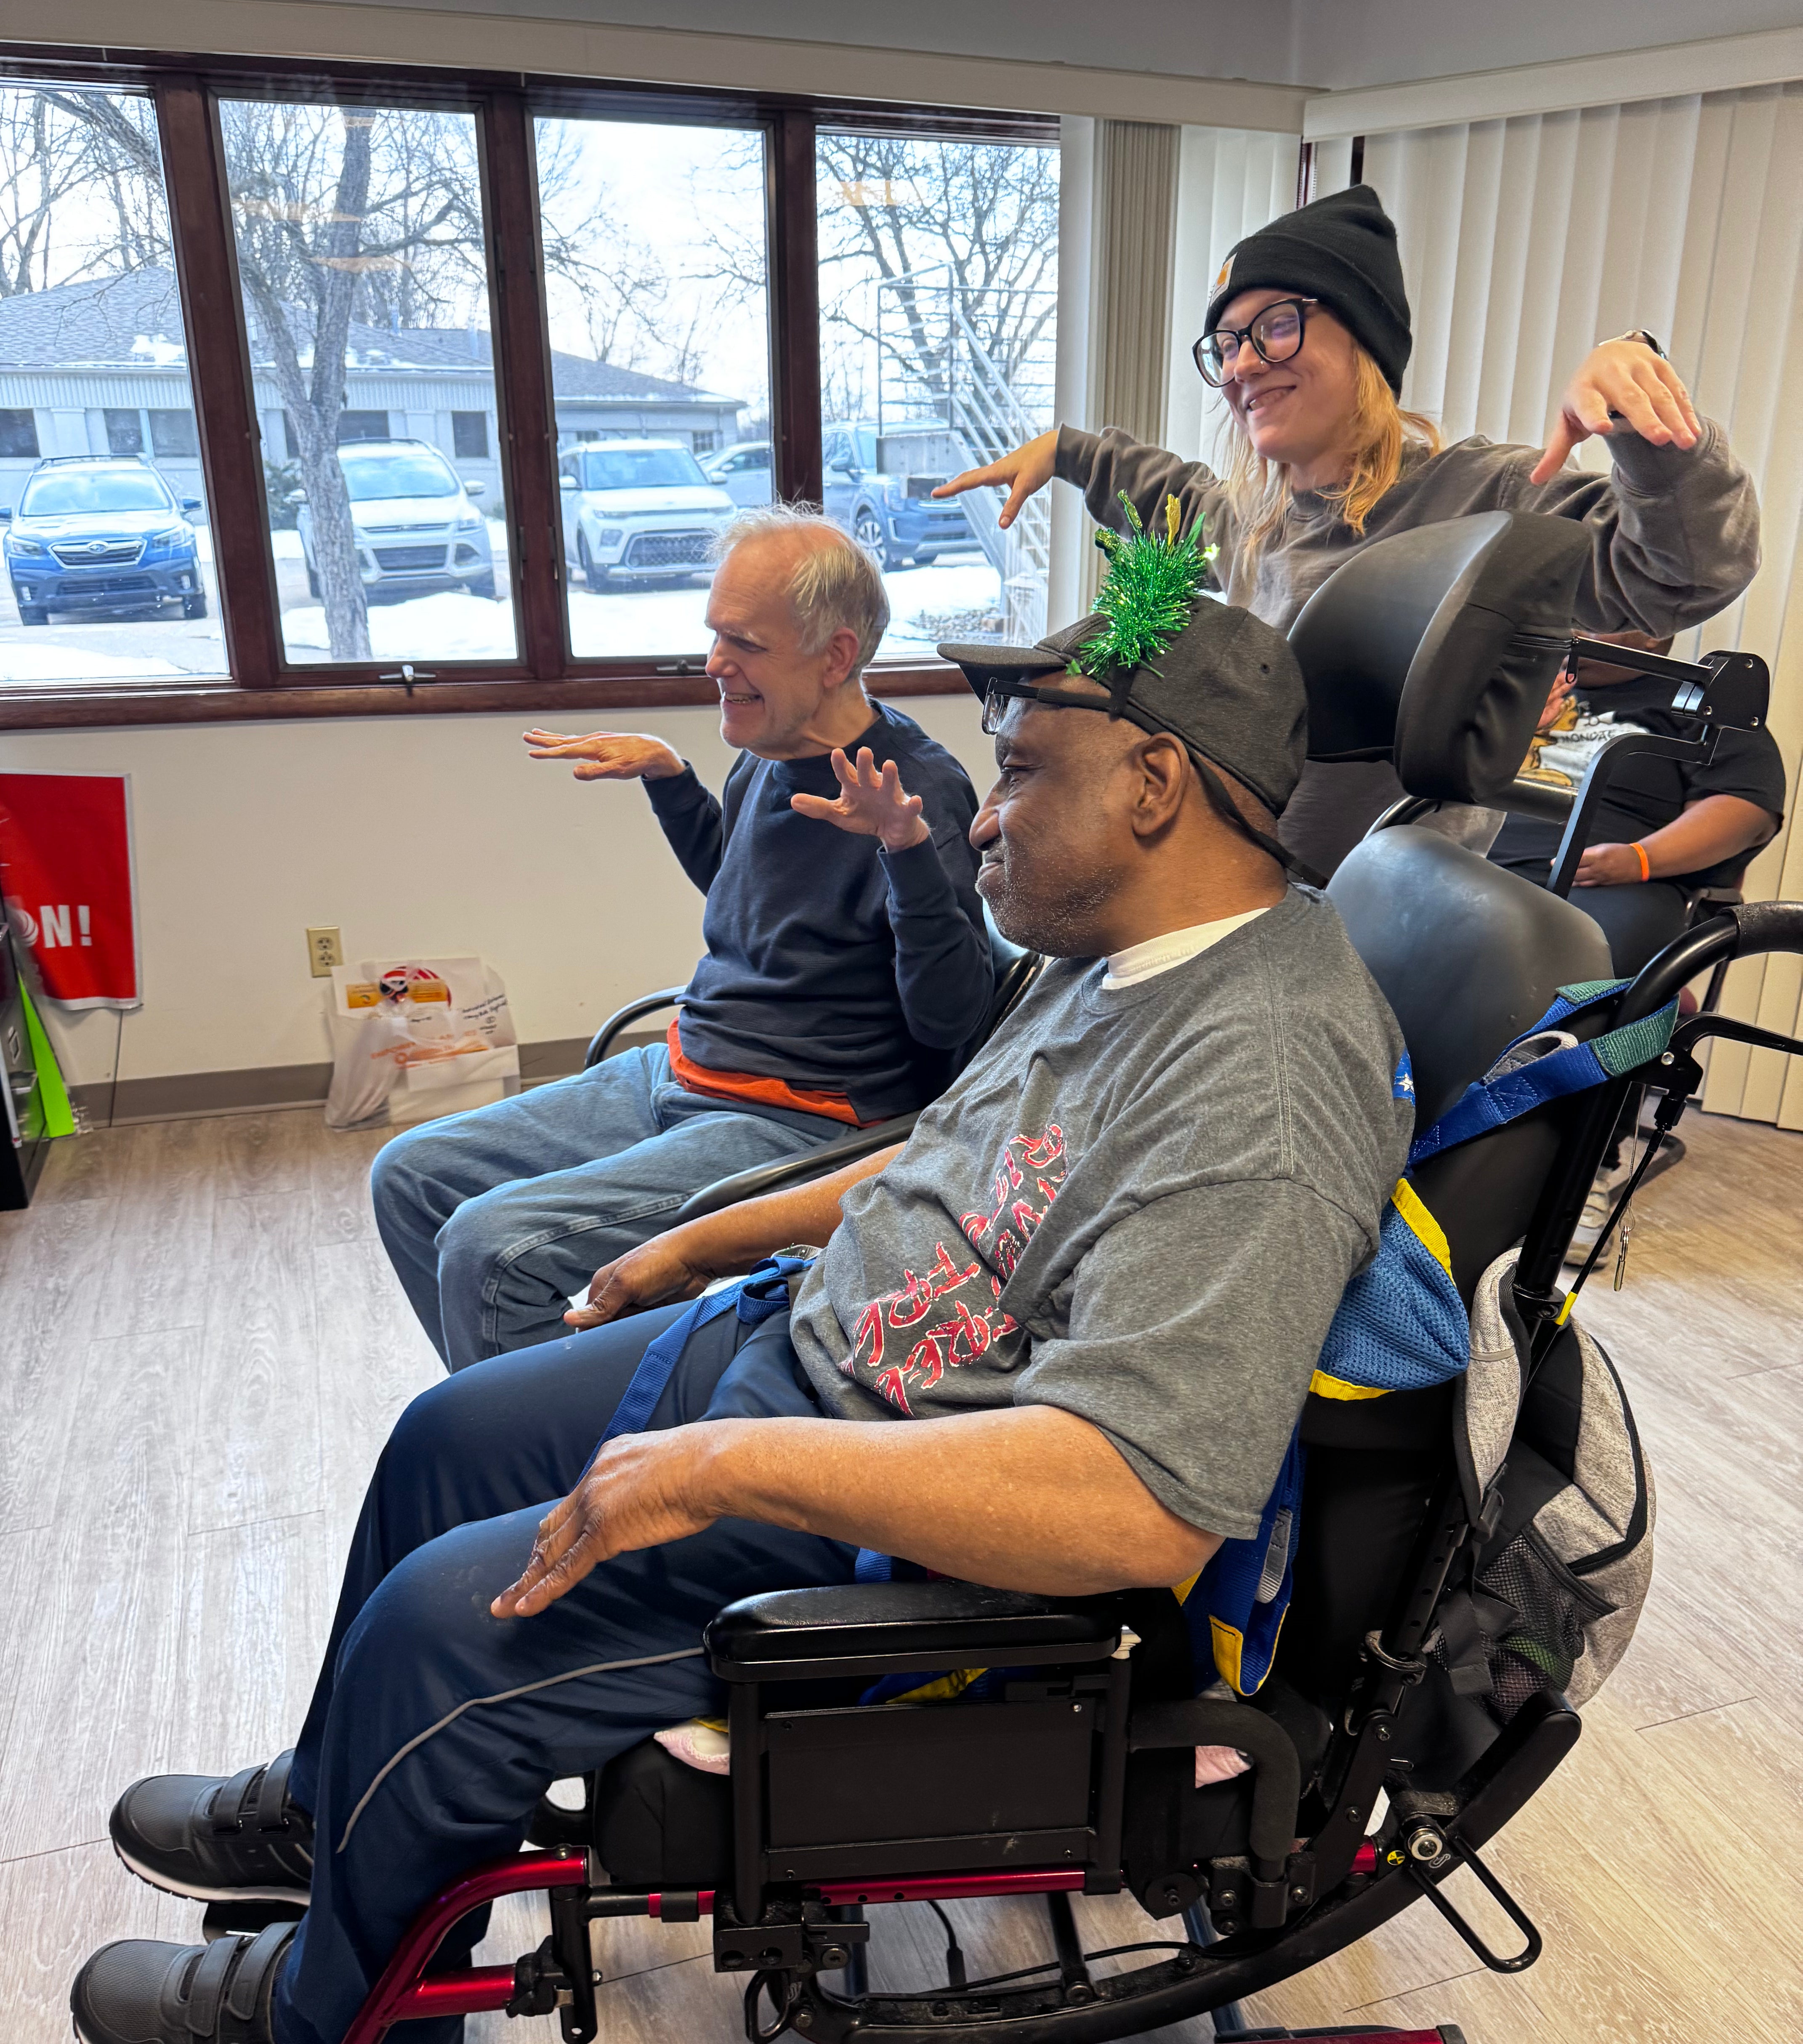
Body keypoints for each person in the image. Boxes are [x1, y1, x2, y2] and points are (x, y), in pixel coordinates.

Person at [73, 570, 1415, 2044]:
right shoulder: (1125, 947)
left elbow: (1141, 1503)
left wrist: (725, 1463)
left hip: (900, 1512)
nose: (982, 818)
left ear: (1155, 782)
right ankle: (337, 1818)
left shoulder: (1260, 1081)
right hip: (805, 1348)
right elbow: (949, 1154)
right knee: (443, 1441)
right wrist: (705, 1238)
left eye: (1019, 773)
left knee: (437, 1630)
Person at [936, 184, 1762, 878]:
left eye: (1275, 326)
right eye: (1226, 344)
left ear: (1363, 339)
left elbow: (1681, 575)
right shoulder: (1256, 520)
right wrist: (1070, 452)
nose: (1241, 364)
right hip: (1242, 888)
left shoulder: (1482, 500)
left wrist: (1646, 427)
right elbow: (1172, 497)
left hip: (1384, 919)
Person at [371, 503, 993, 1368]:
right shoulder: (769, 752)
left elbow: (952, 1019)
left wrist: (905, 850)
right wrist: (670, 779)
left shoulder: (912, 789)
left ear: (835, 656)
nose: (714, 663)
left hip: (801, 1118)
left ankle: (546, 1436)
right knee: (408, 1174)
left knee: (491, 1246)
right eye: (714, 635)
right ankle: (510, 1410)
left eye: (744, 643)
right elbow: (747, 896)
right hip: (685, 1064)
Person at [1489, 630, 1787, 978]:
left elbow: (1743, 808)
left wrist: (1640, 860)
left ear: (1652, 633)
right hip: (1473, 860)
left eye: (1595, 619)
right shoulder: (1519, 691)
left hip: (1605, 884)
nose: (1573, 627)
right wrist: (1511, 726)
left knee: (1573, 954)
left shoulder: (1699, 704)